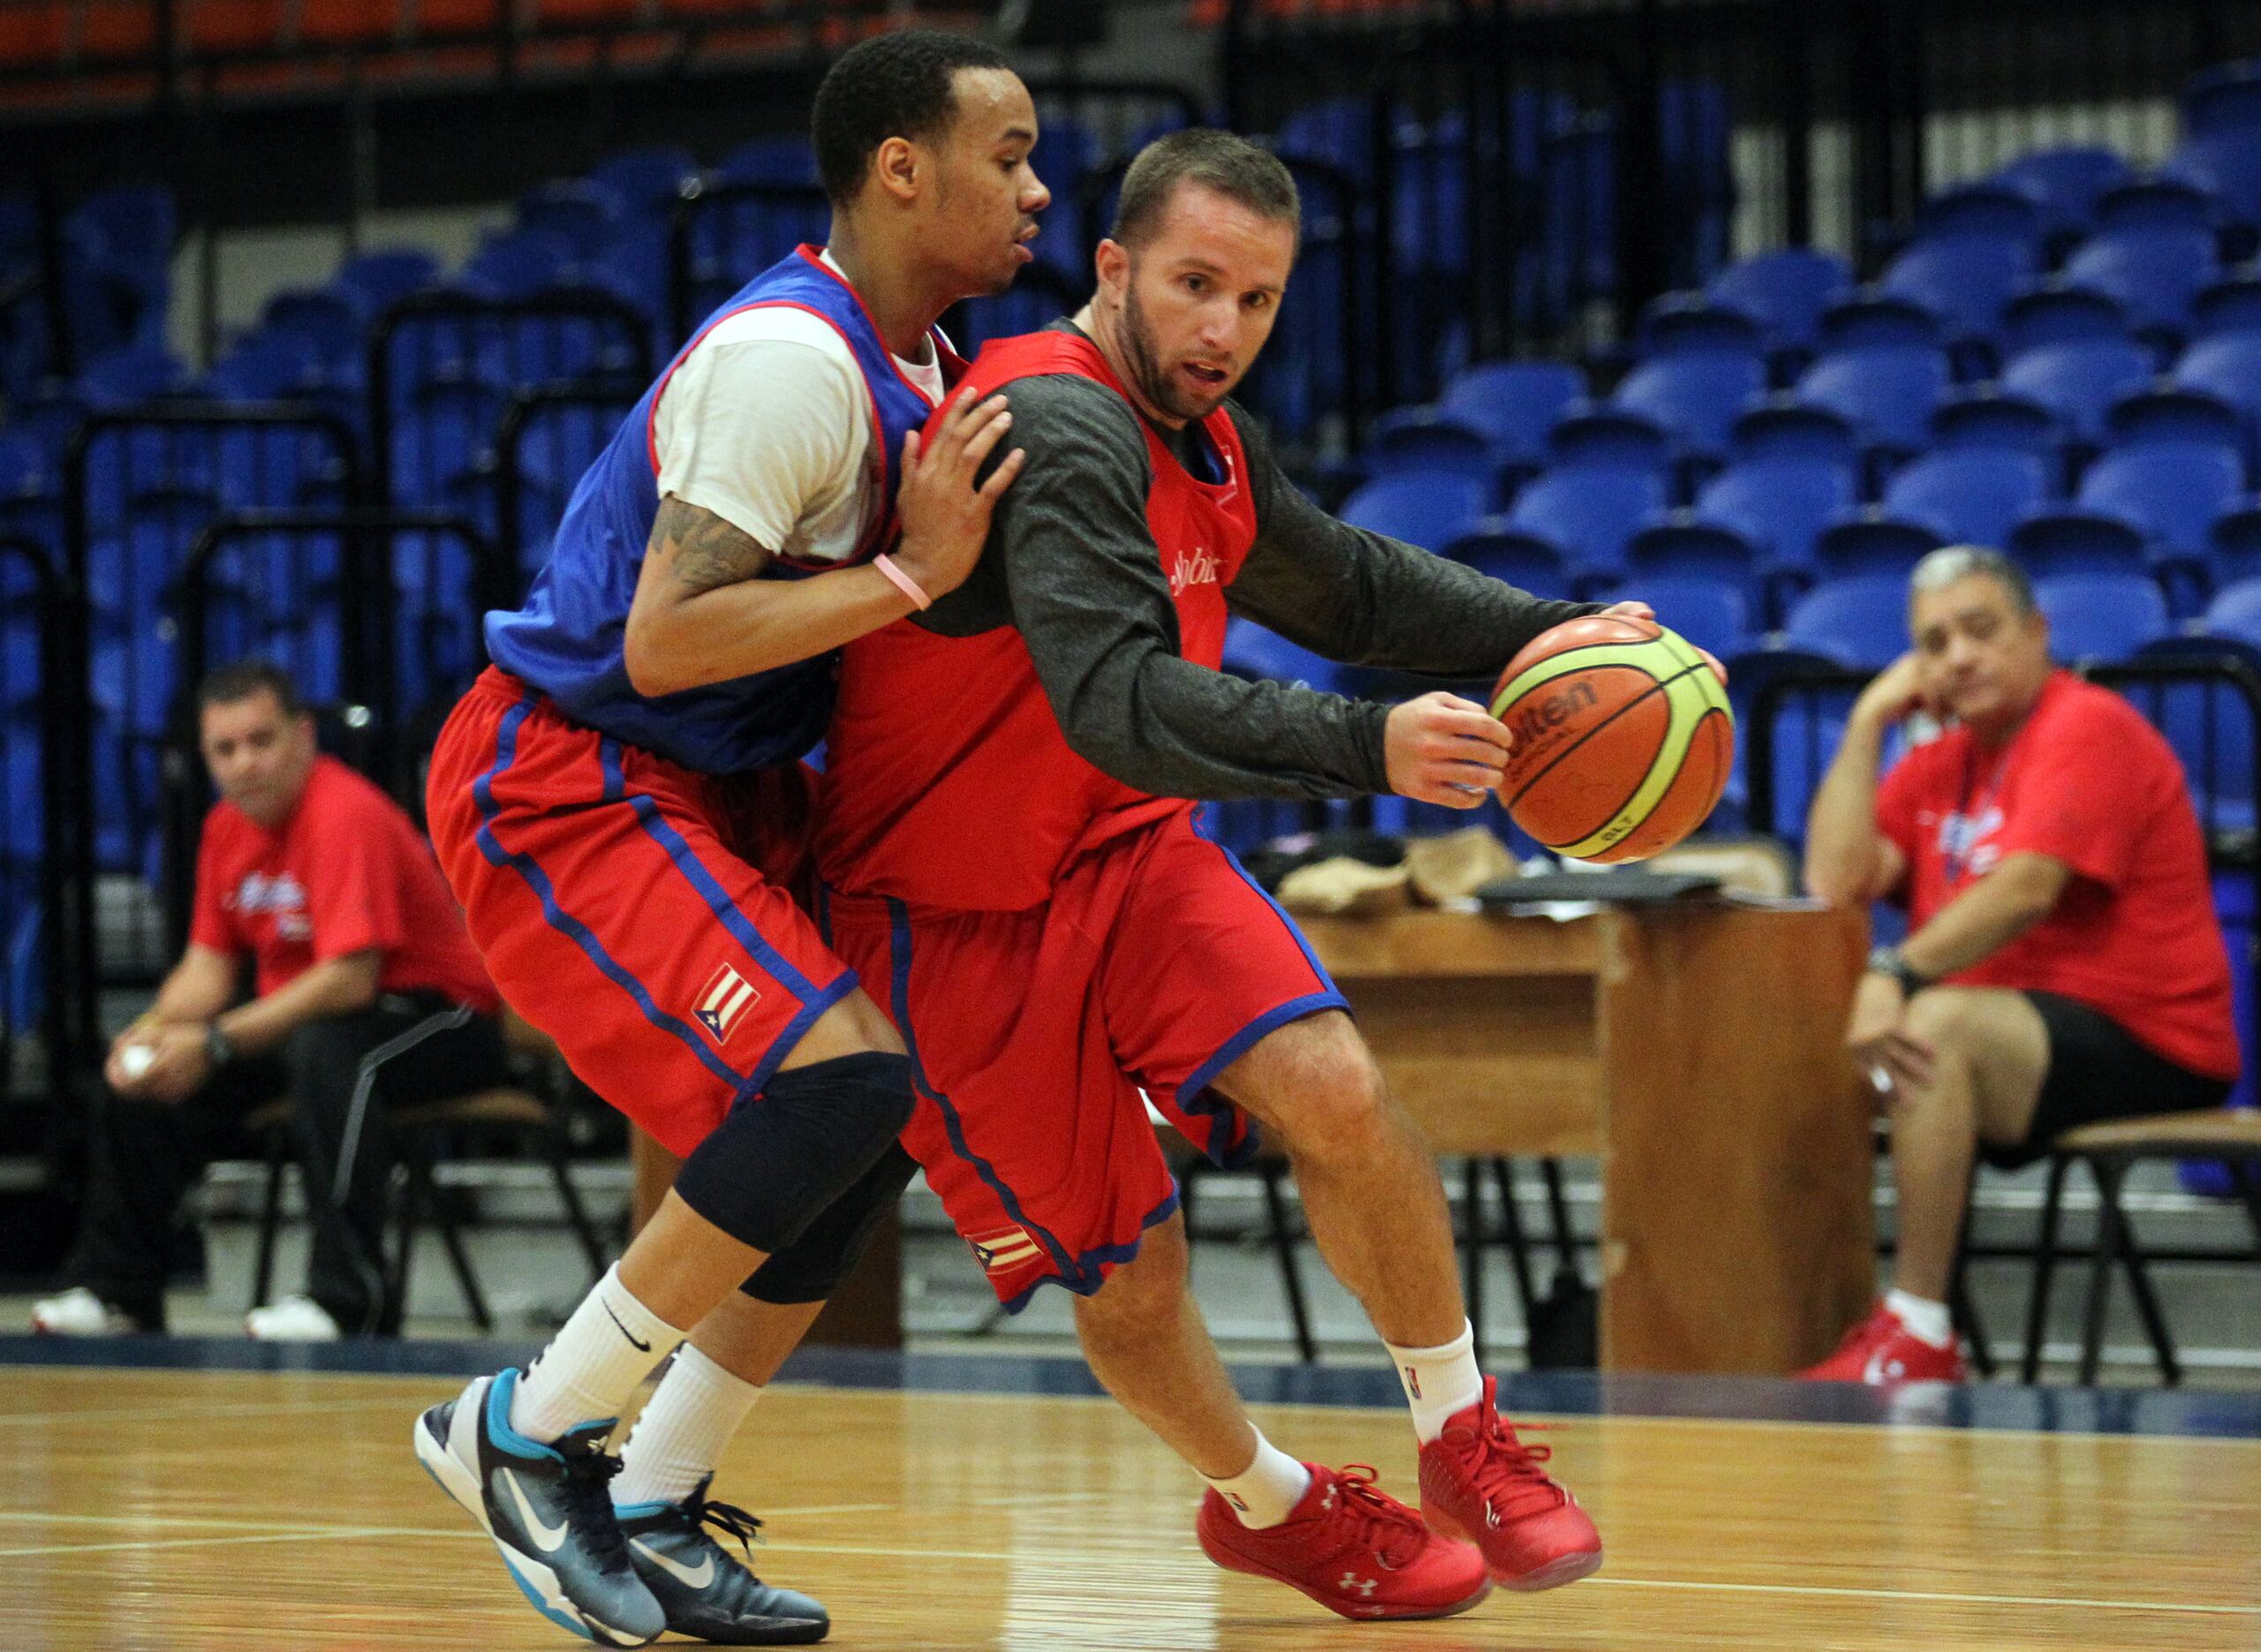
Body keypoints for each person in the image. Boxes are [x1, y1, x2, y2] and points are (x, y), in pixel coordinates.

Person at [813, 130, 1639, 1621]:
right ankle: (1272, 1504)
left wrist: (1558, 634)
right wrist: (1367, 746)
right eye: (1195, 286)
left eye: (1257, 301)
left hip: (1121, 855)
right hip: (953, 915)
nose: (1223, 332)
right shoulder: (1056, 431)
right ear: (1114, 267)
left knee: (1335, 1081)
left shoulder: (1206, 431)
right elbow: (1117, 699)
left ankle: (1462, 1435)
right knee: (1132, 1281)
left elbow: (1355, 588)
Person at [410, 30, 1045, 1648]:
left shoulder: (926, 369)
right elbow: (670, 639)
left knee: (864, 1116)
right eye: (1010, 154)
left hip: (722, 782)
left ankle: (654, 1494)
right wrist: (909, 579)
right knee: (834, 1080)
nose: (1037, 189)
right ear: (901, 168)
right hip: (578, 770)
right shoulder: (793, 361)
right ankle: (525, 1431)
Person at [1800, 545, 2238, 1384]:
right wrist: (1867, 724)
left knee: (1933, 1026)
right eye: (1934, 643)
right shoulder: (1939, 762)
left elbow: (2027, 887)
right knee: (1817, 1045)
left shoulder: (2087, 724)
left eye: (1980, 629)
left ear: (2037, 632)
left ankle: (1920, 1328)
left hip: (2152, 1038)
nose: (1958, 656)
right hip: (2024, 1037)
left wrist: (1894, 973)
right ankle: (1804, 1323)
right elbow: (1836, 879)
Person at [32, 661, 510, 1342]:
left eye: (261, 740)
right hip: (317, 1020)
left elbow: (350, 978)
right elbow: (206, 969)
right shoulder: (226, 829)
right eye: (225, 749)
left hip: (443, 1015)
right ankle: (119, 1291)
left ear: (304, 736)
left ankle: (346, 1300)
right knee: (145, 1081)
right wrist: (152, 1033)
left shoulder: (344, 812)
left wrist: (218, 1041)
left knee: (333, 1053)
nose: (245, 763)